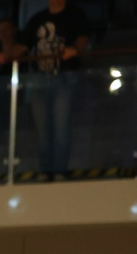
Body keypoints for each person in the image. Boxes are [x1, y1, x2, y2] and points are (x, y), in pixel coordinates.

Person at [23, 0, 92, 175]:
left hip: (65, 77)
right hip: (40, 79)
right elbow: (23, 45)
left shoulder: (76, 15)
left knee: (61, 126)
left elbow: (83, 40)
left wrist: (74, 49)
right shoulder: (37, 19)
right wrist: (6, 54)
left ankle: (60, 171)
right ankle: (46, 172)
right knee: (42, 131)